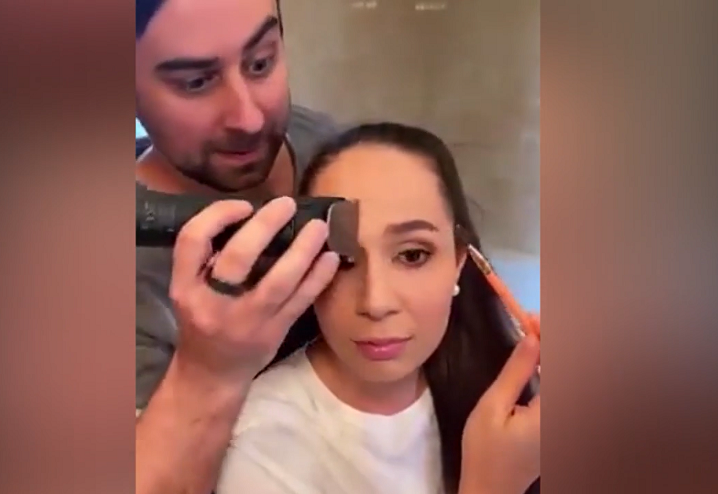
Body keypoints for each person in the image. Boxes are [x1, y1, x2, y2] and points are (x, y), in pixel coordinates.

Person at [213, 123, 541, 494]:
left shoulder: (500, 386)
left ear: (458, 261)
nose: (376, 303)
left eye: (412, 255)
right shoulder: (264, 442)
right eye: (345, 259)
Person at [135, 0, 338, 410]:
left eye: (260, 63)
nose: (249, 120)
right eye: (196, 83)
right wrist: (208, 374)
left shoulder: (344, 150)